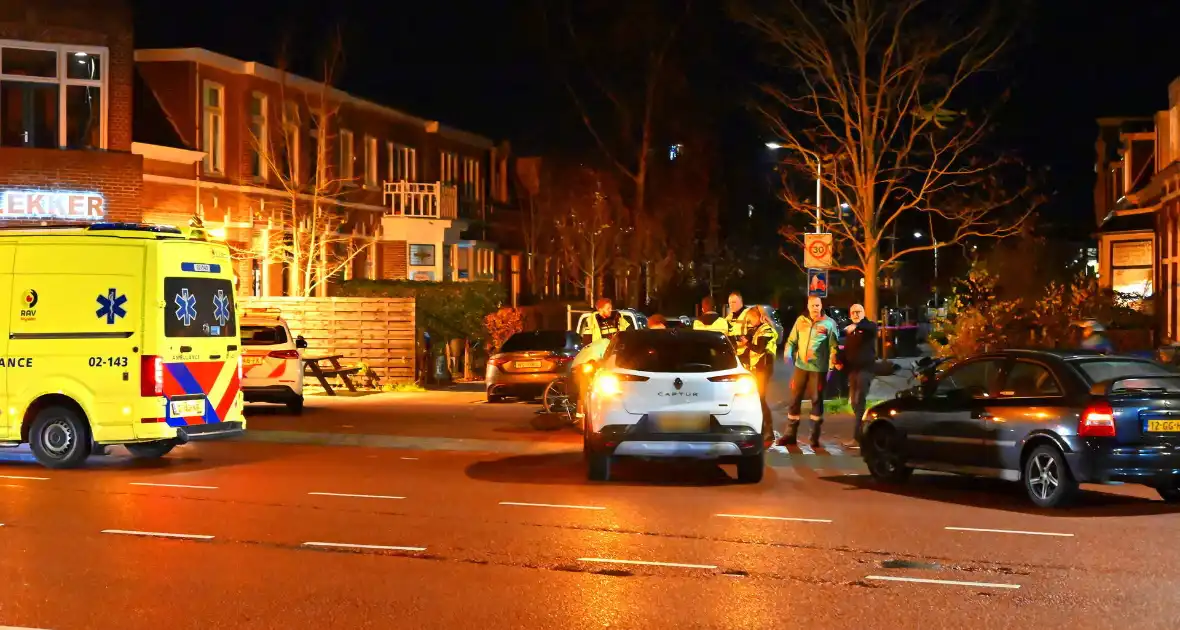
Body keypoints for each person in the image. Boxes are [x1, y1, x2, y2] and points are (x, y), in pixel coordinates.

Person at [780, 295, 840, 447]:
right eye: (812, 305)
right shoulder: (801, 321)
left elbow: (834, 346)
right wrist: (788, 352)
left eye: (817, 305)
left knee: (816, 401)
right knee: (794, 400)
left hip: (818, 370)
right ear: (808, 306)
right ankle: (790, 435)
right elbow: (792, 340)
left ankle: (814, 436)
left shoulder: (829, 324)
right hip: (801, 367)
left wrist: (833, 363)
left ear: (821, 306)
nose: (815, 308)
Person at [735, 306, 779, 445]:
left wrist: (746, 343)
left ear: (758, 317)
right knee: (756, 399)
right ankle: (762, 429)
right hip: (757, 369)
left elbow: (759, 348)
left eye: (751, 319)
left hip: (764, 368)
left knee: (760, 399)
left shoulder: (766, 330)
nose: (749, 322)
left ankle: (768, 431)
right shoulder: (757, 330)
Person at [841, 303, 878, 449]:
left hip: (866, 370)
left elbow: (870, 329)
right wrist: (839, 360)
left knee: (859, 399)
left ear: (863, 313)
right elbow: (848, 351)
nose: (856, 314)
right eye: (853, 312)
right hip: (853, 371)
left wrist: (857, 327)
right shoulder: (851, 331)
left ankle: (858, 438)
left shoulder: (868, 326)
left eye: (859, 312)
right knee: (854, 403)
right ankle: (864, 431)